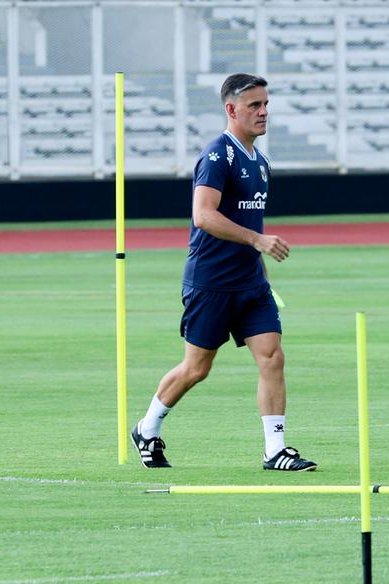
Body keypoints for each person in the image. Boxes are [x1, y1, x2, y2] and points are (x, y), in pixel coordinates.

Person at [130, 73, 317, 472]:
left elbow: (247, 222)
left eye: (266, 104)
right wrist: (257, 241)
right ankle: (147, 427)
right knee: (197, 368)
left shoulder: (260, 162)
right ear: (231, 110)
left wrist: (261, 267)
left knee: (272, 358)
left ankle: (275, 450)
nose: (264, 112)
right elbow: (204, 215)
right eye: (255, 105)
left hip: (250, 283)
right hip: (211, 283)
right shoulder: (218, 155)